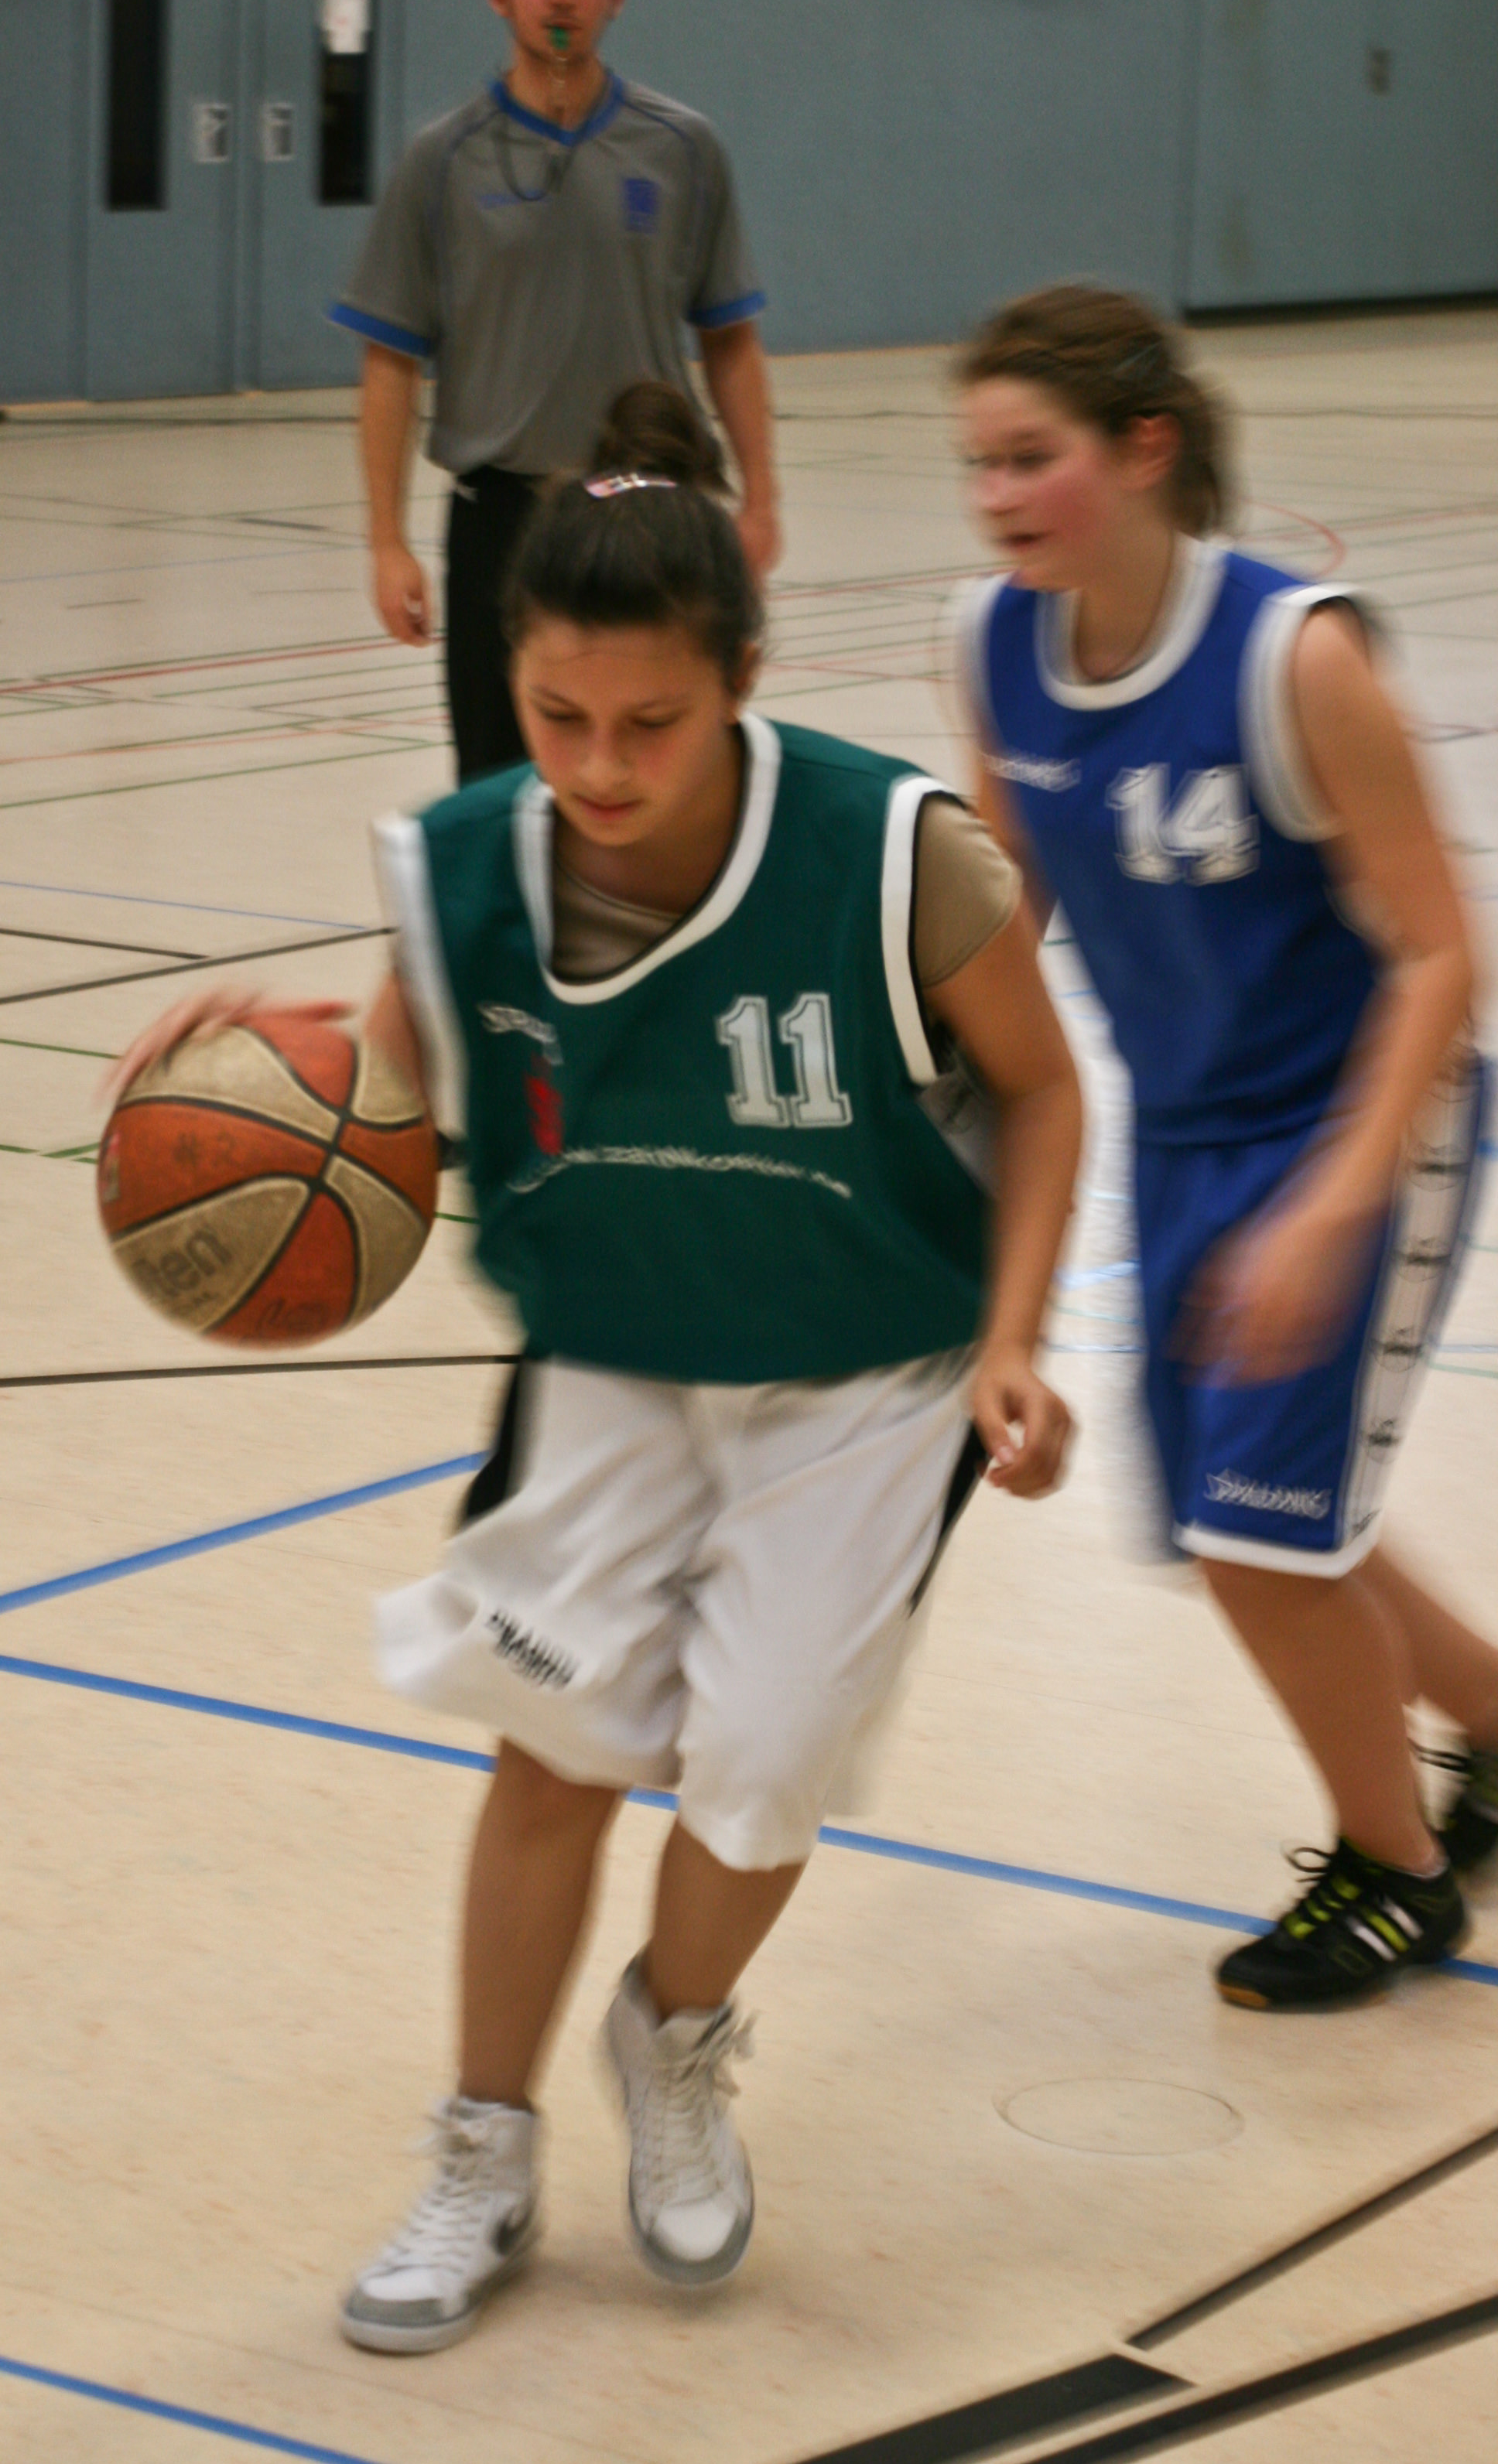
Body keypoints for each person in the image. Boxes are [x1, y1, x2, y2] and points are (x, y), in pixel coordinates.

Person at [112, 383, 1081, 2347]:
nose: (600, 765)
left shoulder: (898, 854)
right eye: (557, 717)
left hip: (868, 1369)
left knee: (763, 1768)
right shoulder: (461, 867)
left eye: (651, 721)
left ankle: (674, 2034)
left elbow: (1048, 1090)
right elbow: (394, 1087)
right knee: (550, 1748)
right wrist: (259, 1078)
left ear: (743, 681)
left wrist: (1014, 1338)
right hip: (614, 1353)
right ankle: (483, 2146)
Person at [956, 281, 1498, 2012]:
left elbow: (1442, 952)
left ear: (1142, 449)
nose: (996, 496)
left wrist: (1338, 1201)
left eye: (1029, 458)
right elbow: (1003, 911)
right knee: (1243, 1522)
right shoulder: (992, 648)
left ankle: (1397, 1876)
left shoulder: (1293, 655)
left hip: (1362, 1123)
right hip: (1184, 1130)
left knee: (1265, 1534)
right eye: (978, 465)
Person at [330, 0, 781, 780]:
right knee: (499, 777)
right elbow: (391, 360)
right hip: (502, 518)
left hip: (650, 509)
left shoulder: (683, 148)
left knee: (655, 770)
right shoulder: (442, 159)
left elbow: (729, 338)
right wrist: (386, 540)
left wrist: (762, 500)